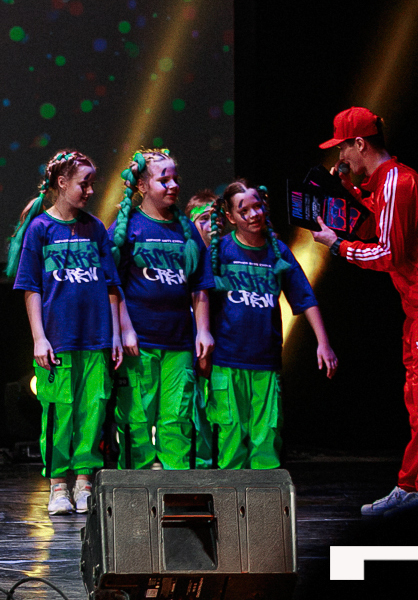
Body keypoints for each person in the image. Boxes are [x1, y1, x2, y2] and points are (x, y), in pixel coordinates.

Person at [310, 107, 418, 513]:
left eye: (342, 148)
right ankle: (411, 486)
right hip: (417, 309)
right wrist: (344, 192)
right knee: (417, 402)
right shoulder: (385, 184)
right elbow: (372, 225)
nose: (340, 156)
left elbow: (387, 253)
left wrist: (337, 246)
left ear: (360, 143)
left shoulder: (398, 181)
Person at [7, 150, 123, 516]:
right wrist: (39, 337)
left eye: (92, 183)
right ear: (62, 182)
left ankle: (84, 481)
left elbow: (111, 285)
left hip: (96, 338)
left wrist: (116, 333)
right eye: (83, 183)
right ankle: (58, 484)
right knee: (59, 413)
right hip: (57, 340)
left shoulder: (95, 228)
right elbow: (30, 287)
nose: (90, 190)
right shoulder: (40, 229)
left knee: (92, 410)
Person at [209, 181, 336, 468]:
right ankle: (232, 495)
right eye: (244, 210)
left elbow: (304, 297)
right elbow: (201, 299)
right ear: (230, 217)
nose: (253, 214)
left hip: (265, 362)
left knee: (266, 437)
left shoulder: (277, 251)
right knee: (230, 436)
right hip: (227, 361)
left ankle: (263, 495)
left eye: (257, 206)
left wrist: (324, 343)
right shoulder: (221, 251)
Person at [108, 149, 215, 470]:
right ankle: (134, 487)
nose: (173, 185)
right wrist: (124, 330)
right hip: (139, 343)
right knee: (136, 418)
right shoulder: (127, 228)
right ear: (142, 185)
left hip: (179, 343)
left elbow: (200, 285)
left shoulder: (187, 230)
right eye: (163, 179)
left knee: (177, 417)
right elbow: (113, 285)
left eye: (175, 179)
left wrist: (203, 330)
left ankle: (176, 486)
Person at [184, 188, 221, 467]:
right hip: (194, 347)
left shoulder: (229, 256)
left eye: (216, 218)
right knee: (195, 406)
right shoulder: (189, 257)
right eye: (204, 219)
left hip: (227, 348)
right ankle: (201, 463)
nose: (212, 225)